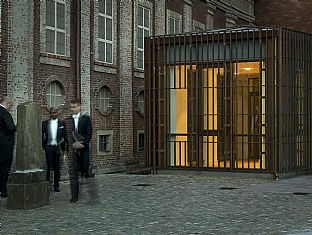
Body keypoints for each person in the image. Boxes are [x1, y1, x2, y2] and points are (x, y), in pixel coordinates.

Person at [68, 99, 92, 203]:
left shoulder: (86, 119)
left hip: (83, 149)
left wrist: (82, 144)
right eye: (71, 107)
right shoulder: (68, 120)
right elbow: (67, 135)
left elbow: (89, 134)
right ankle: (74, 196)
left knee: (84, 171)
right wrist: (72, 145)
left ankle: (86, 192)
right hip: (73, 151)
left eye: (74, 107)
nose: (72, 109)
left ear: (79, 107)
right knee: (73, 174)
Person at [42, 107, 68, 192]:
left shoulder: (62, 123)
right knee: (49, 166)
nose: (53, 114)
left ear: (57, 113)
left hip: (57, 148)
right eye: (52, 113)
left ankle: (56, 185)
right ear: (50, 114)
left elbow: (65, 137)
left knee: (57, 167)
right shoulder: (44, 123)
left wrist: (64, 149)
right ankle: (46, 184)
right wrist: (44, 146)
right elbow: (41, 136)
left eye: (55, 113)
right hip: (48, 148)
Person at [0, 97, 16, 198]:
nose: (10, 108)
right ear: (7, 104)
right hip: (4, 146)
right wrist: (17, 127)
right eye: (11, 106)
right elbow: (11, 128)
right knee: (4, 168)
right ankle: (2, 191)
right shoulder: (4, 113)